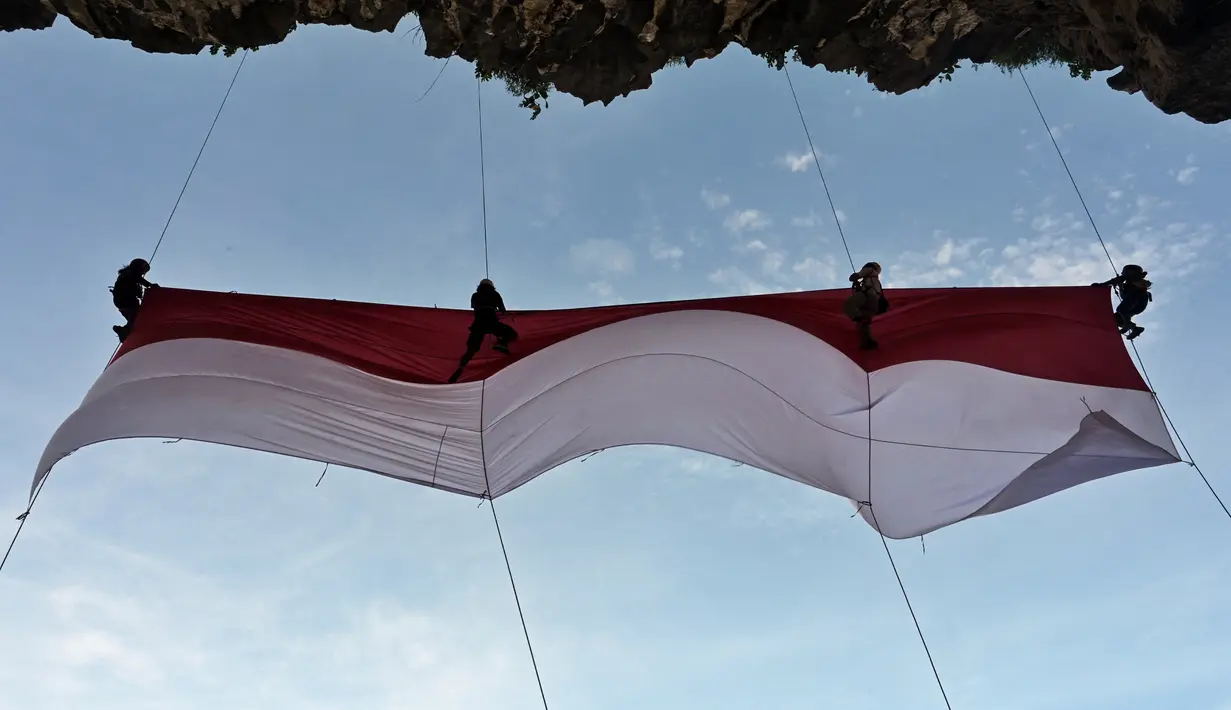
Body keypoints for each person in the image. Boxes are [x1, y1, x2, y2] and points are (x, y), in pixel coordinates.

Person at [447, 278, 519, 383]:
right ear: (492, 286)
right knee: (511, 334)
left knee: (471, 350)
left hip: (478, 325)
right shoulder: (495, 294)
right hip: (491, 322)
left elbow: (473, 307)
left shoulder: (475, 295)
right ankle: (502, 343)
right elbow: (502, 310)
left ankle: (460, 368)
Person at [1092, 264, 1151, 340]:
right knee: (1117, 318)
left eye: (1124, 272)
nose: (1122, 273)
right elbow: (1123, 293)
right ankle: (1131, 327)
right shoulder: (1131, 283)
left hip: (1137, 298)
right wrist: (1120, 286)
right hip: (1139, 305)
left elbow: (1115, 280)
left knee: (1121, 309)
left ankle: (1130, 326)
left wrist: (1101, 285)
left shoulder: (1131, 280)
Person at [110, 258, 158, 342]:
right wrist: (150, 285)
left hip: (121, 301)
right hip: (126, 300)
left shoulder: (128, 275)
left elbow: (137, 290)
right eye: (143, 271)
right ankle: (124, 331)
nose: (143, 273)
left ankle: (126, 330)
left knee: (133, 319)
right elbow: (137, 279)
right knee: (137, 317)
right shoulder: (129, 274)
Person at [842, 261, 887, 350]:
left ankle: (860, 319)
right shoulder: (875, 281)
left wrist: (855, 278)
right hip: (874, 303)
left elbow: (853, 277)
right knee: (864, 322)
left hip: (866, 296)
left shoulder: (869, 270)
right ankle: (867, 341)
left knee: (849, 305)